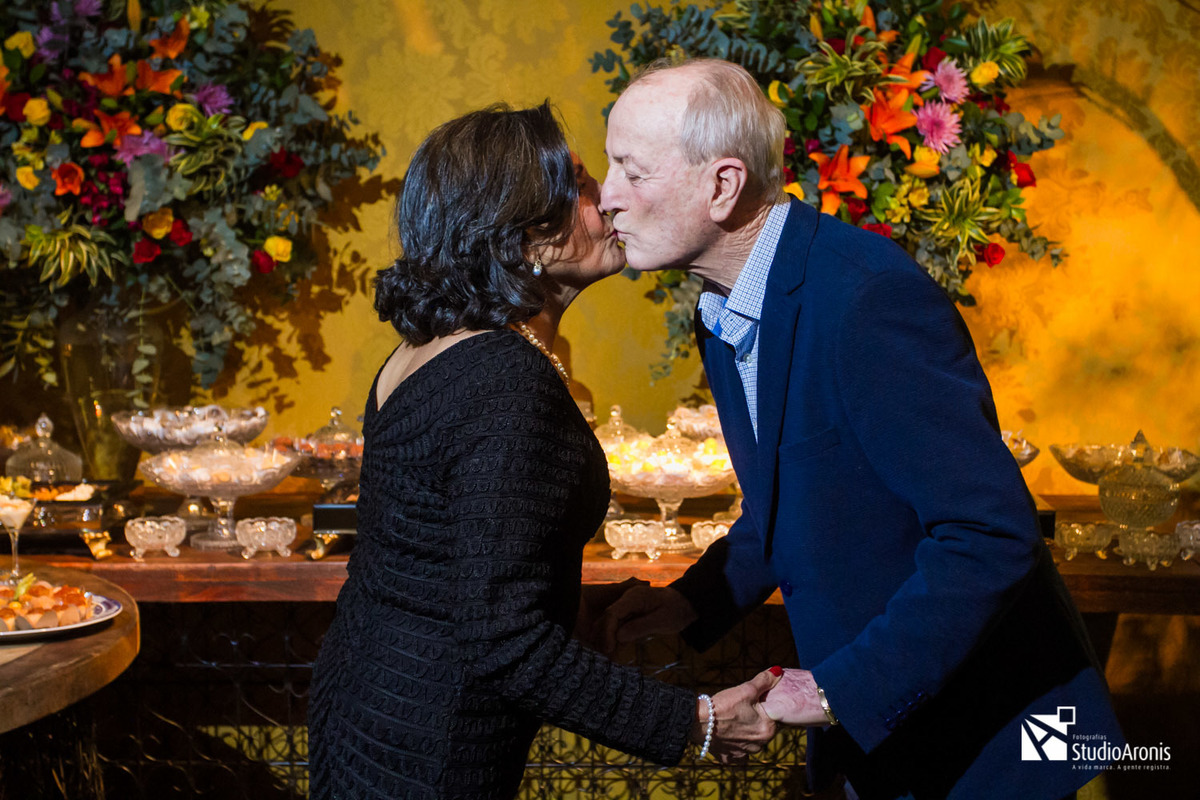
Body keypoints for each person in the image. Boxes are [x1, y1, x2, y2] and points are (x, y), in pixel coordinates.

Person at [597, 59, 1124, 800]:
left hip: (990, 747)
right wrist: (694, 600)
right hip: (891, 749)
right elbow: (791, 498)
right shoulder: (722, 311)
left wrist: (835, 689)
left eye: (632, 172)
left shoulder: (866, 300)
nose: (607, 196)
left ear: (722, 186)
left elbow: (990, 534)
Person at [307, 102, 779, 800]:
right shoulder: (504, 379)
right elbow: (503, 642)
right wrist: (696, 722)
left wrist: (564, 604)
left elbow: (444, 562)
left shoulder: (432, 347)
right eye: (583, 186)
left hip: (367, 708)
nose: (608, 200)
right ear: (525, 234)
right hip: (429, 749)